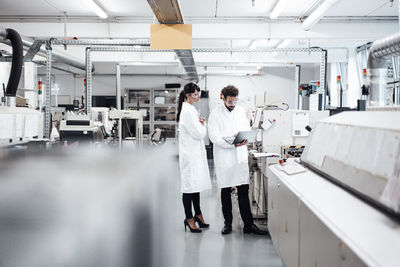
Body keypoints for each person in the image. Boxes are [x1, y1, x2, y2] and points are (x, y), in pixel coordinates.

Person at [208, 85, 268, 235]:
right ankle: (227, 224)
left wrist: (245, 138)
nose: (233, 104)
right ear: (222, 97)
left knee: (243, 190)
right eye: (230, 101)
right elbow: (214, 137)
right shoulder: (215, 114)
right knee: (226, 191)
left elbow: (245, 128)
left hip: (240, 155)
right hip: (225, 157)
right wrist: (233, 142)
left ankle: (248, 225)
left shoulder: (240, 111)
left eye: (235, 101)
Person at [177, 82, 211, 233]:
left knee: (195, 185)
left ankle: (198, 215)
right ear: (187, 95)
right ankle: (189, 218)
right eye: (195, 94)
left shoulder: (191, 109)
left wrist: (200, 124)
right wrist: (203, 125)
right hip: (190, 156)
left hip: (194, 153)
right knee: (189, 187)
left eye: (198, 94)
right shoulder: (188, 111)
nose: (197, 97)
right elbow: (199, 134)